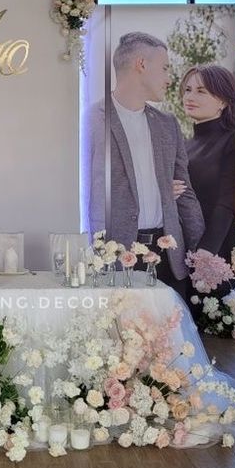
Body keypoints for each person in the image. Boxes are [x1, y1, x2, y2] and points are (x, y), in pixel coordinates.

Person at [88, 31, 204, 296]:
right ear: (141, 65)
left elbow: (185, 194)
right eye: (164, 68)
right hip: (114, 259)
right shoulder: (92, 119)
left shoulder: (167, 125)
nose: (169, 78)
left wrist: (201, 250)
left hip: (168, 258)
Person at [174, 64, 235, 262]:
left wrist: (207, 251)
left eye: (201, 91)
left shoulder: (232, 141)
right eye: (188, 90)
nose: (190, 97)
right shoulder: (183, 146)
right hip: (182, 249)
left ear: (223, 101)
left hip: (216, 251)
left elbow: (228, 202)